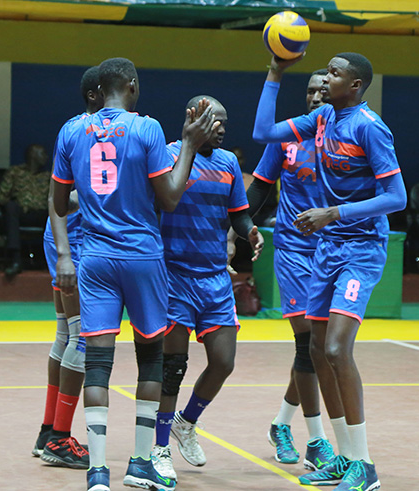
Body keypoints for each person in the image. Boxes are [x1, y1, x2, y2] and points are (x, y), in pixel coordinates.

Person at [50, 57, 217, 491]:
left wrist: (66, 254)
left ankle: (97, 472)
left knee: (97, 363)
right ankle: (140, 464)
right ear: (131, 85)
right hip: (142, 257)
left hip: (95, 259)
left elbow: (57, 202)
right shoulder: (147, 129)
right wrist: (188, 144)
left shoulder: (71, 130)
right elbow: (170, 198)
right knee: (151, 359)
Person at [253, 52, 407, 491]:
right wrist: (275, 72)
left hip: (361, 248)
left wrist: (334, 213)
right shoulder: (322, 119)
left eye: (334, 74)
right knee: (318, 350)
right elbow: (263, 132)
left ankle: (365, 465)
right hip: (327, 247)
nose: (325, 80)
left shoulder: (369, 127)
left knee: (337, 348)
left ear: (355, 85)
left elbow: (396, 197)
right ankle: (344, 457)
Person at [150, 96, 263, 481]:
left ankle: (186, 422)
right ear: (193, 118)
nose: (222, 128)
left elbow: (238, 213)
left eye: (225, 122)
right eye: (215, 121)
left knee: (224, 362)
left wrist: (250, 231)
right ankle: (160, 447)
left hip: (214, 278)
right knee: (173, 368)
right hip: (174, 276)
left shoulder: (228, 162)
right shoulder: (168, 156)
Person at [244, 68, 338, 471]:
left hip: (334, 250)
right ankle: (317, 440)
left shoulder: (347, 137)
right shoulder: (288, 136)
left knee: (322, 347)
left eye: (324, 92)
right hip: (295, 250)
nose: (316, 97)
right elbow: (260, 187)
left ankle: (281, 423)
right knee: (309, 345)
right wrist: (235, 226)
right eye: (311, 91)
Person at [31, 66, 103, 470]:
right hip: (72, 241)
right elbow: (61, 197)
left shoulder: (83, 128)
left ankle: (47, 431)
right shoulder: (84, 131)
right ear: (94, 94)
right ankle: (59, 438)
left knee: (65, 334)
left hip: (63, 239)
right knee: (82, 338)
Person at [0, 143, 51, 277]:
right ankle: (16, 260)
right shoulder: (15, 172)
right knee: (11, 207)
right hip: (21, 213)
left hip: (42, 215)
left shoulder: (48, 175)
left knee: (58, 212)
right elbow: (0, 196)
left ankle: (53, 261)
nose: (46, 157)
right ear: (33, 155)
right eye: (42, 153)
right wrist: (14, 203)